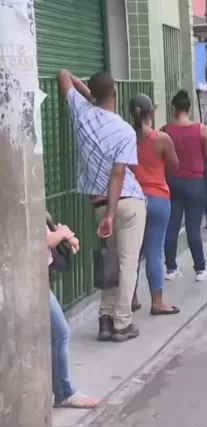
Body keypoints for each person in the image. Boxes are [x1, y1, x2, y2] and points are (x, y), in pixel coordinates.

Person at [57, 69, 146, 342]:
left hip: (98, 204)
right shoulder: (124, 129)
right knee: (126, 263)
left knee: (109, 260)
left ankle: (105, 320)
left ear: (92, 93)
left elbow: (64, 75)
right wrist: (111, 213)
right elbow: (118, 173)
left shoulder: (81, 114)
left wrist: (91, 96)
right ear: (115, 93)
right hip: (127, 202)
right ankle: (122, 322)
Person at [129, 94, 180, 316]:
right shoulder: (161, 139)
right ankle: (157, 301)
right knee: (154, 251)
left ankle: (131, 297)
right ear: (151, 112)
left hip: (133, 198)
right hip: (158, 198)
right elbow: (174, 166)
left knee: (132, 252)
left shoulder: (126, 137)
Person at [162, 90, 207, 282]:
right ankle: (200, 269)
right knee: (194, 227)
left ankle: (171, 268)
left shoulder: (165, 130)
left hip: (172, 181)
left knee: (172, 225)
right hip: (195, 182)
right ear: (189, 108)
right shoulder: (201, 129)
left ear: (174, 108)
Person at [46, 221, 101, 408]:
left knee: (59, 334)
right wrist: (63, 233)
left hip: (36, 280)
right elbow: (43, 241)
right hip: (29, 281)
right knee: (60, 333)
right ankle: (64, 392)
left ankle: (63, 392)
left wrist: (65, 235)